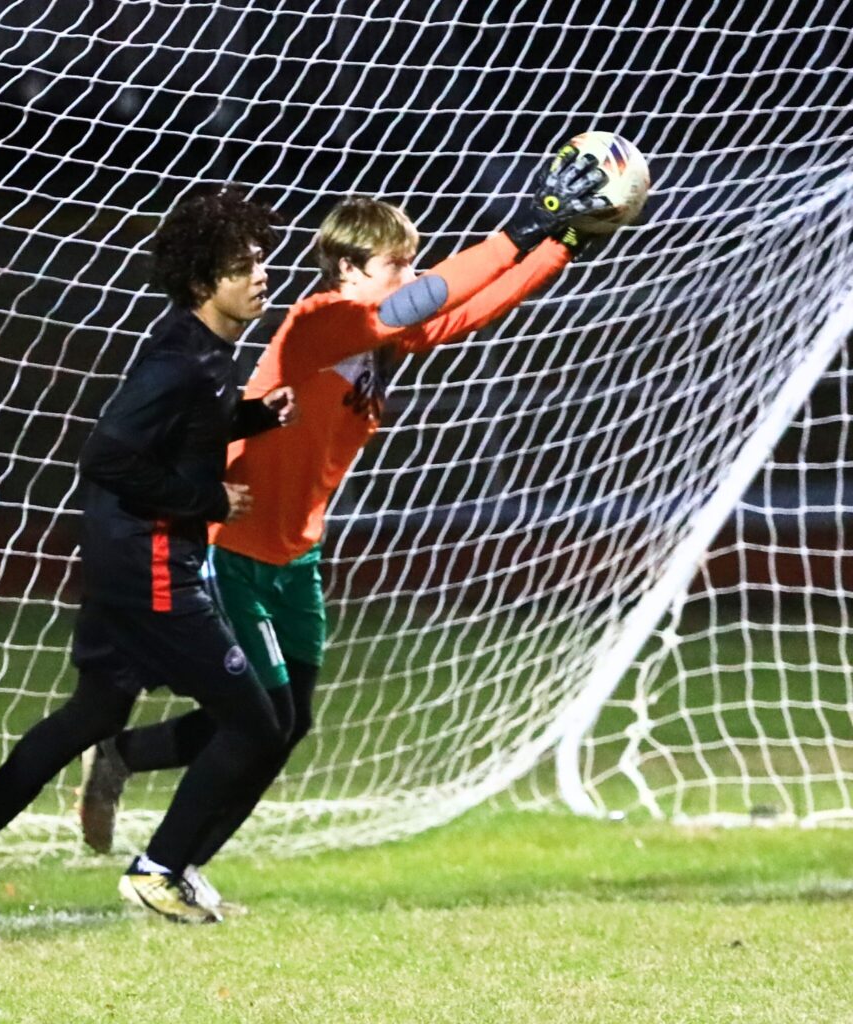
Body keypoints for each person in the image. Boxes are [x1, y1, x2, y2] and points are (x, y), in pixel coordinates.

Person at [77, 145, 613, 911]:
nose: (411, 278)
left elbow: (458, 312)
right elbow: (420, 303)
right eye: (399, 264)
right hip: (236, 548)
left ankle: (144, 790)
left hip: (297, 555)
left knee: (285, 726)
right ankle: (156, 867)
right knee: (259, 725)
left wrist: (556, 246)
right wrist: (523, 225)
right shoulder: (322, 321)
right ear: (351, 269)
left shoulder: (375, 335)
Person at [0, 184, 297, 924]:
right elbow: (107, 455)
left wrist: (249, 415)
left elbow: (182, 430)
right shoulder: (182, 360)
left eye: (261, 259)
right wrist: (209, 502)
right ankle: (160, 871)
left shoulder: (201, 350)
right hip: (153, 565)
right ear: (201, 281)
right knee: (257, 727)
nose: (262, 275)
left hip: (124, 557)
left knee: (95, 711)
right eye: (244, 265)